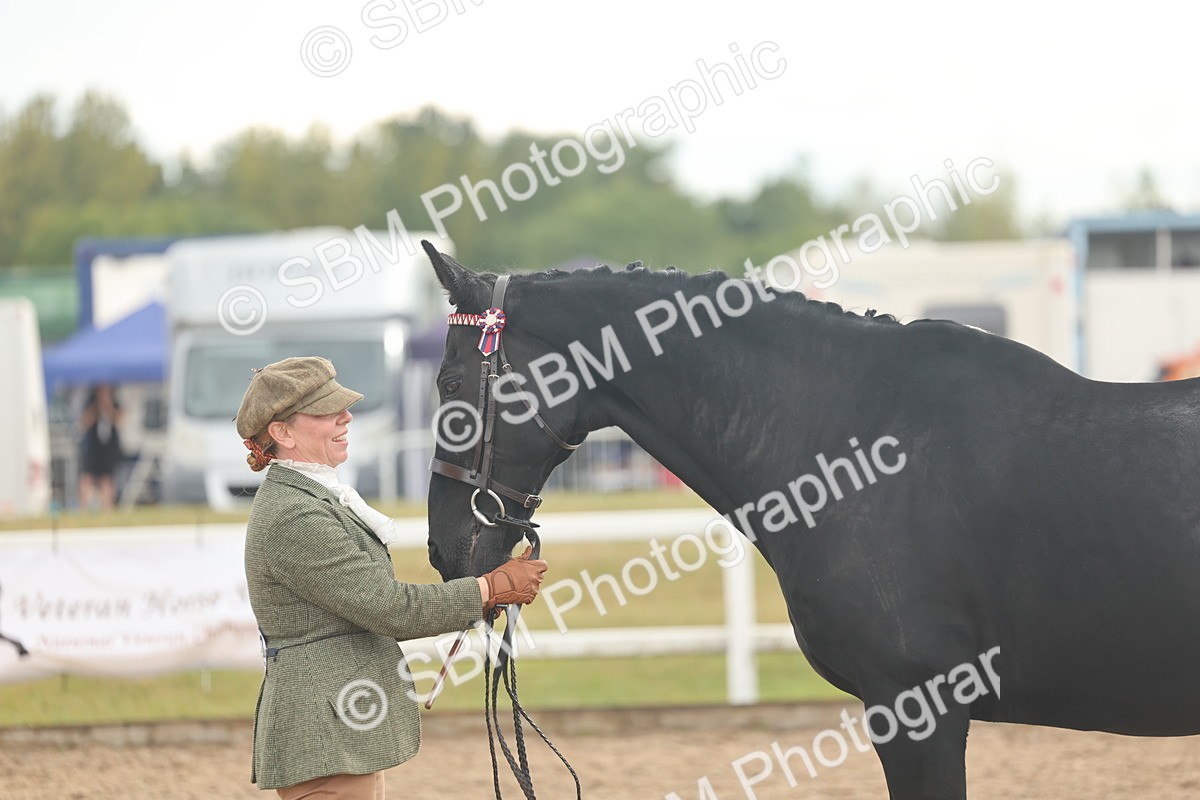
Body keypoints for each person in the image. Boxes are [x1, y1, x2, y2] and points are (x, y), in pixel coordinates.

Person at [236, 356, 547, 799]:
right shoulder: (295, 514)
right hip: (326, 732)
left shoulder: (313, 496)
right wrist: (488, 589)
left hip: (343, 730)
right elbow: (389, 607)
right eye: (326, 412)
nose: (345, 417)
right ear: (282, 433)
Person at [78, 384, 124, 511]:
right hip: (93, 445)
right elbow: (84, 422)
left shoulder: (114, 401)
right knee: (87, 476)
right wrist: (97, 407)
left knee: (107, 478)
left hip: (108, 446)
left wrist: (107, 406)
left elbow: (120, 419)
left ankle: (108, 507)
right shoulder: (90, 401)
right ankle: (83, 507)